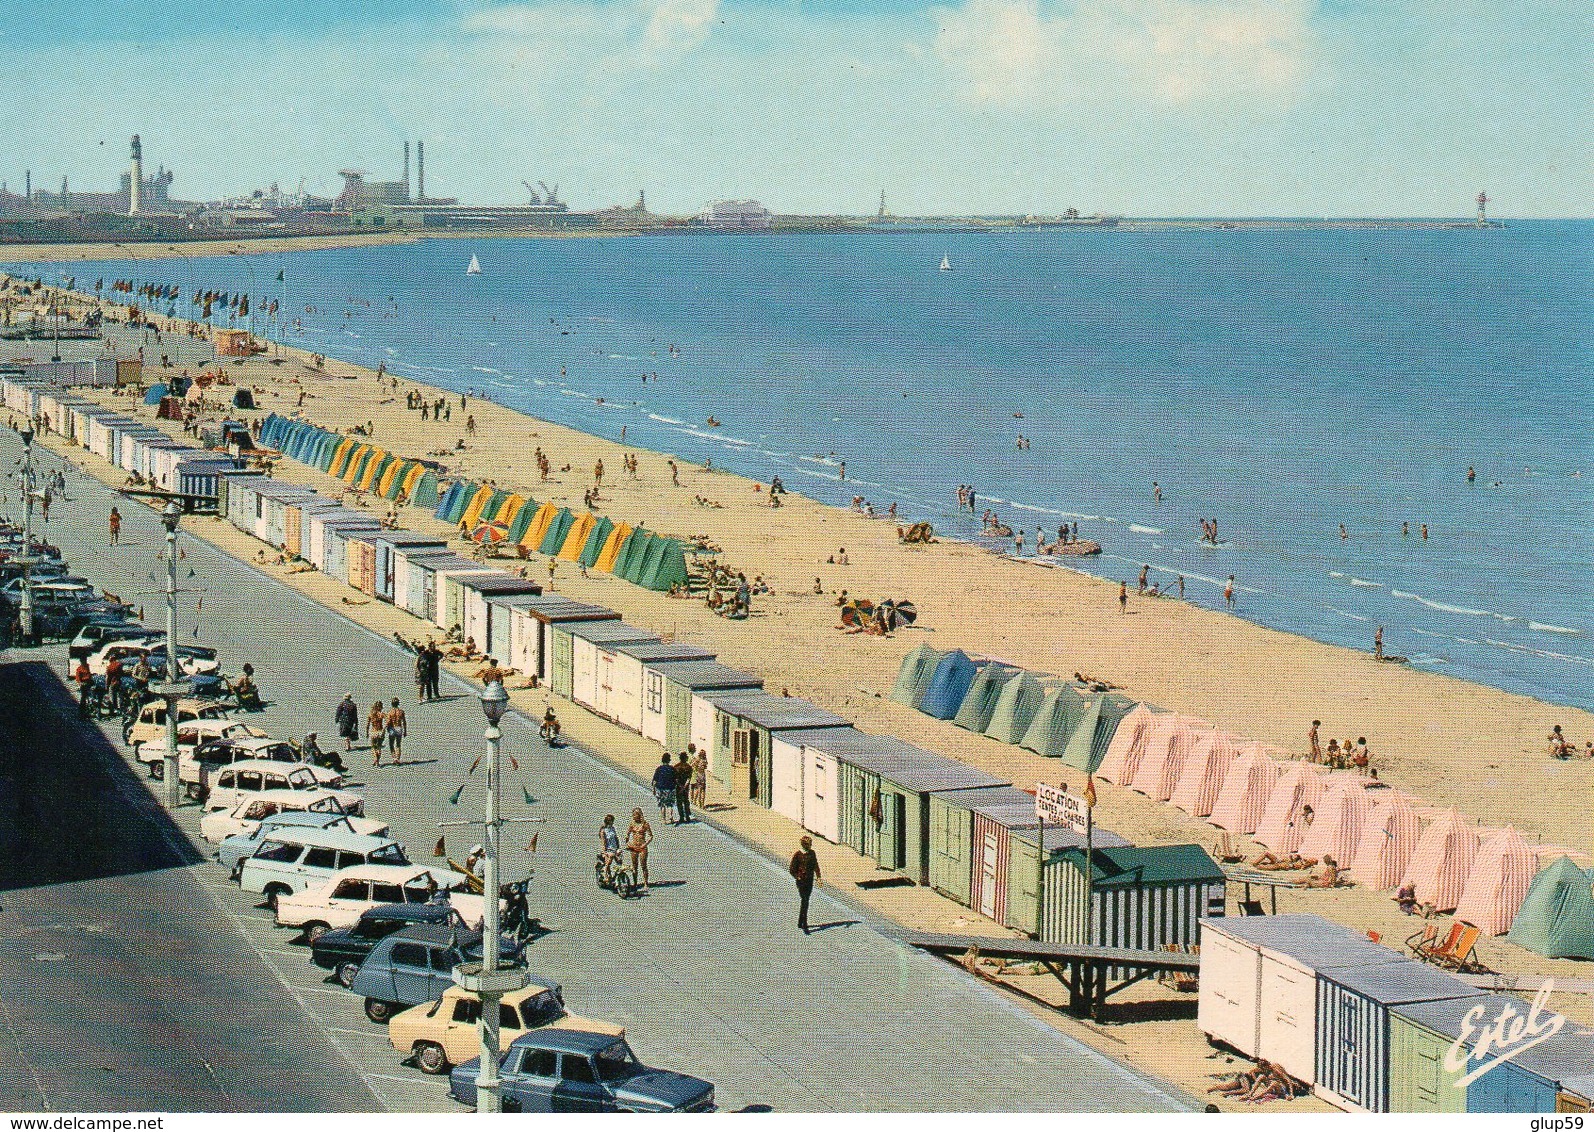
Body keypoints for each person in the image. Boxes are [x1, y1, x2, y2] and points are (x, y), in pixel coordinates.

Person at [789, 836, 821, 933]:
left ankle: (800, 921)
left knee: (806, 900)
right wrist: (797, 876)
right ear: (804, 845)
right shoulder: (798, 855)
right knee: (805, 899)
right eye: (809, 844)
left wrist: (818, 877)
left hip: (809, 880)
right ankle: (805, 923)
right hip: (801, 881)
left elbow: (815, 865)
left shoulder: (812, 853)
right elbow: (792, 869)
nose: (811, 846)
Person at [626, 808, 653, 887]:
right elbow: (627, 835)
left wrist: (645, 844)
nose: (633, 816)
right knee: (634, 865)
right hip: (634, 846)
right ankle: (635, 883)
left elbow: (651, 836)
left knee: (643, 865)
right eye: (633, 815)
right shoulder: (632, 824)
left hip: (642, 846)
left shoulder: (645, 824)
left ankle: (645, 882)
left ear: (639, 815)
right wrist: (628, 844)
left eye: (635, 815)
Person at [652, 754, 677, 824]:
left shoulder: (659, 769)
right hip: (670, 789)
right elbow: (676, 780)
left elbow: (654, 781)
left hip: (661, 789)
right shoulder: (672, 769)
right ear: (669, 760)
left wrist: (654, 789)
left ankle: (663, 819)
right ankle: (671, 818)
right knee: (670, 804)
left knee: (662, 804)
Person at [673, 751, 694, 824]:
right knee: (686, 801)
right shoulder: (689, 767)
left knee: (679, 802)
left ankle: (681, 817)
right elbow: (689, 779)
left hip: (678, 787)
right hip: (686, 787)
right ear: (686, 758)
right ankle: (687, 816)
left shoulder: (676, 767)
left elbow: (675, 779)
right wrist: (684, 787)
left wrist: (680, 786)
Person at [599, 816, 622, 881]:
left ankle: (615, 877)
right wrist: (604, 852)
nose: (613, 822)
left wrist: (618, 848)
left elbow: (616, 838)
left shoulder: (613, 828)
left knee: (619, 862)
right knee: (609, 861)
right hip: (608, 849)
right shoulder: (603, 831)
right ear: (608, 821)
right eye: (612, 821)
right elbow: (603, 842)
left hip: (615, 848)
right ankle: (605, 874)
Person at [385, 698, 407, 764]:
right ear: (398, 703)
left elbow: (388, 722)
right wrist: (405, 731)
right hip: (399, 728)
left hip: (392, 728)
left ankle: (394, 758)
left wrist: (387, 729)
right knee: (398, 744)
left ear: (392, 704)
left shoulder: (390, 712)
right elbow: (404, 722)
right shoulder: (401, 711)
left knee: (391, 744)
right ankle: (398, 758)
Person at [368, 700, 387, 766]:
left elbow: (367, 725)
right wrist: (384, 729)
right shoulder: (382, 714)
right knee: (379, 747)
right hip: (380, 731)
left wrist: (367, 733)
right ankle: (377, 761)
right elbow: (388, 722)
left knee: (373, 747)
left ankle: (375, 759)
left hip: (373, 731)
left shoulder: (371, 714)